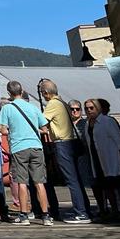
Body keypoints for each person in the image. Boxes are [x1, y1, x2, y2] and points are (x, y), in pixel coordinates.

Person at [0, 81, 51, 226]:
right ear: (22, 91)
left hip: (19, 147)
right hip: (36, 146)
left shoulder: (7, 108)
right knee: (39, 182)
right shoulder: (33, 107)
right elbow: (45, 129)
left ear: (9, 93)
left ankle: (24, 215)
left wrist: (13, 131)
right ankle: (46, 215)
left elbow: (3, 130)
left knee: (22, 182)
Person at [39, 79, 92, 223]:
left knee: (71, 180)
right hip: (72, 142)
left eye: (43, 94)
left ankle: (81, 213)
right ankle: (85, 209)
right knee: (76, 180)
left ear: (46, 93)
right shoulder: (62, 102)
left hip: (63, 143)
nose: (43, 96)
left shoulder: (53, 104)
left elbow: (41, 120)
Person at [82, 98, 120, 217]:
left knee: (119, 185)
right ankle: (114, 211)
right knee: (106, 187)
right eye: (86, 108)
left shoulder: (107, 121)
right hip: (97, 159)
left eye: (92, 108)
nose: (89, 110)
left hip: (111, 157)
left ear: (98, 108)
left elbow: (119, 139)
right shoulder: (87, 123)